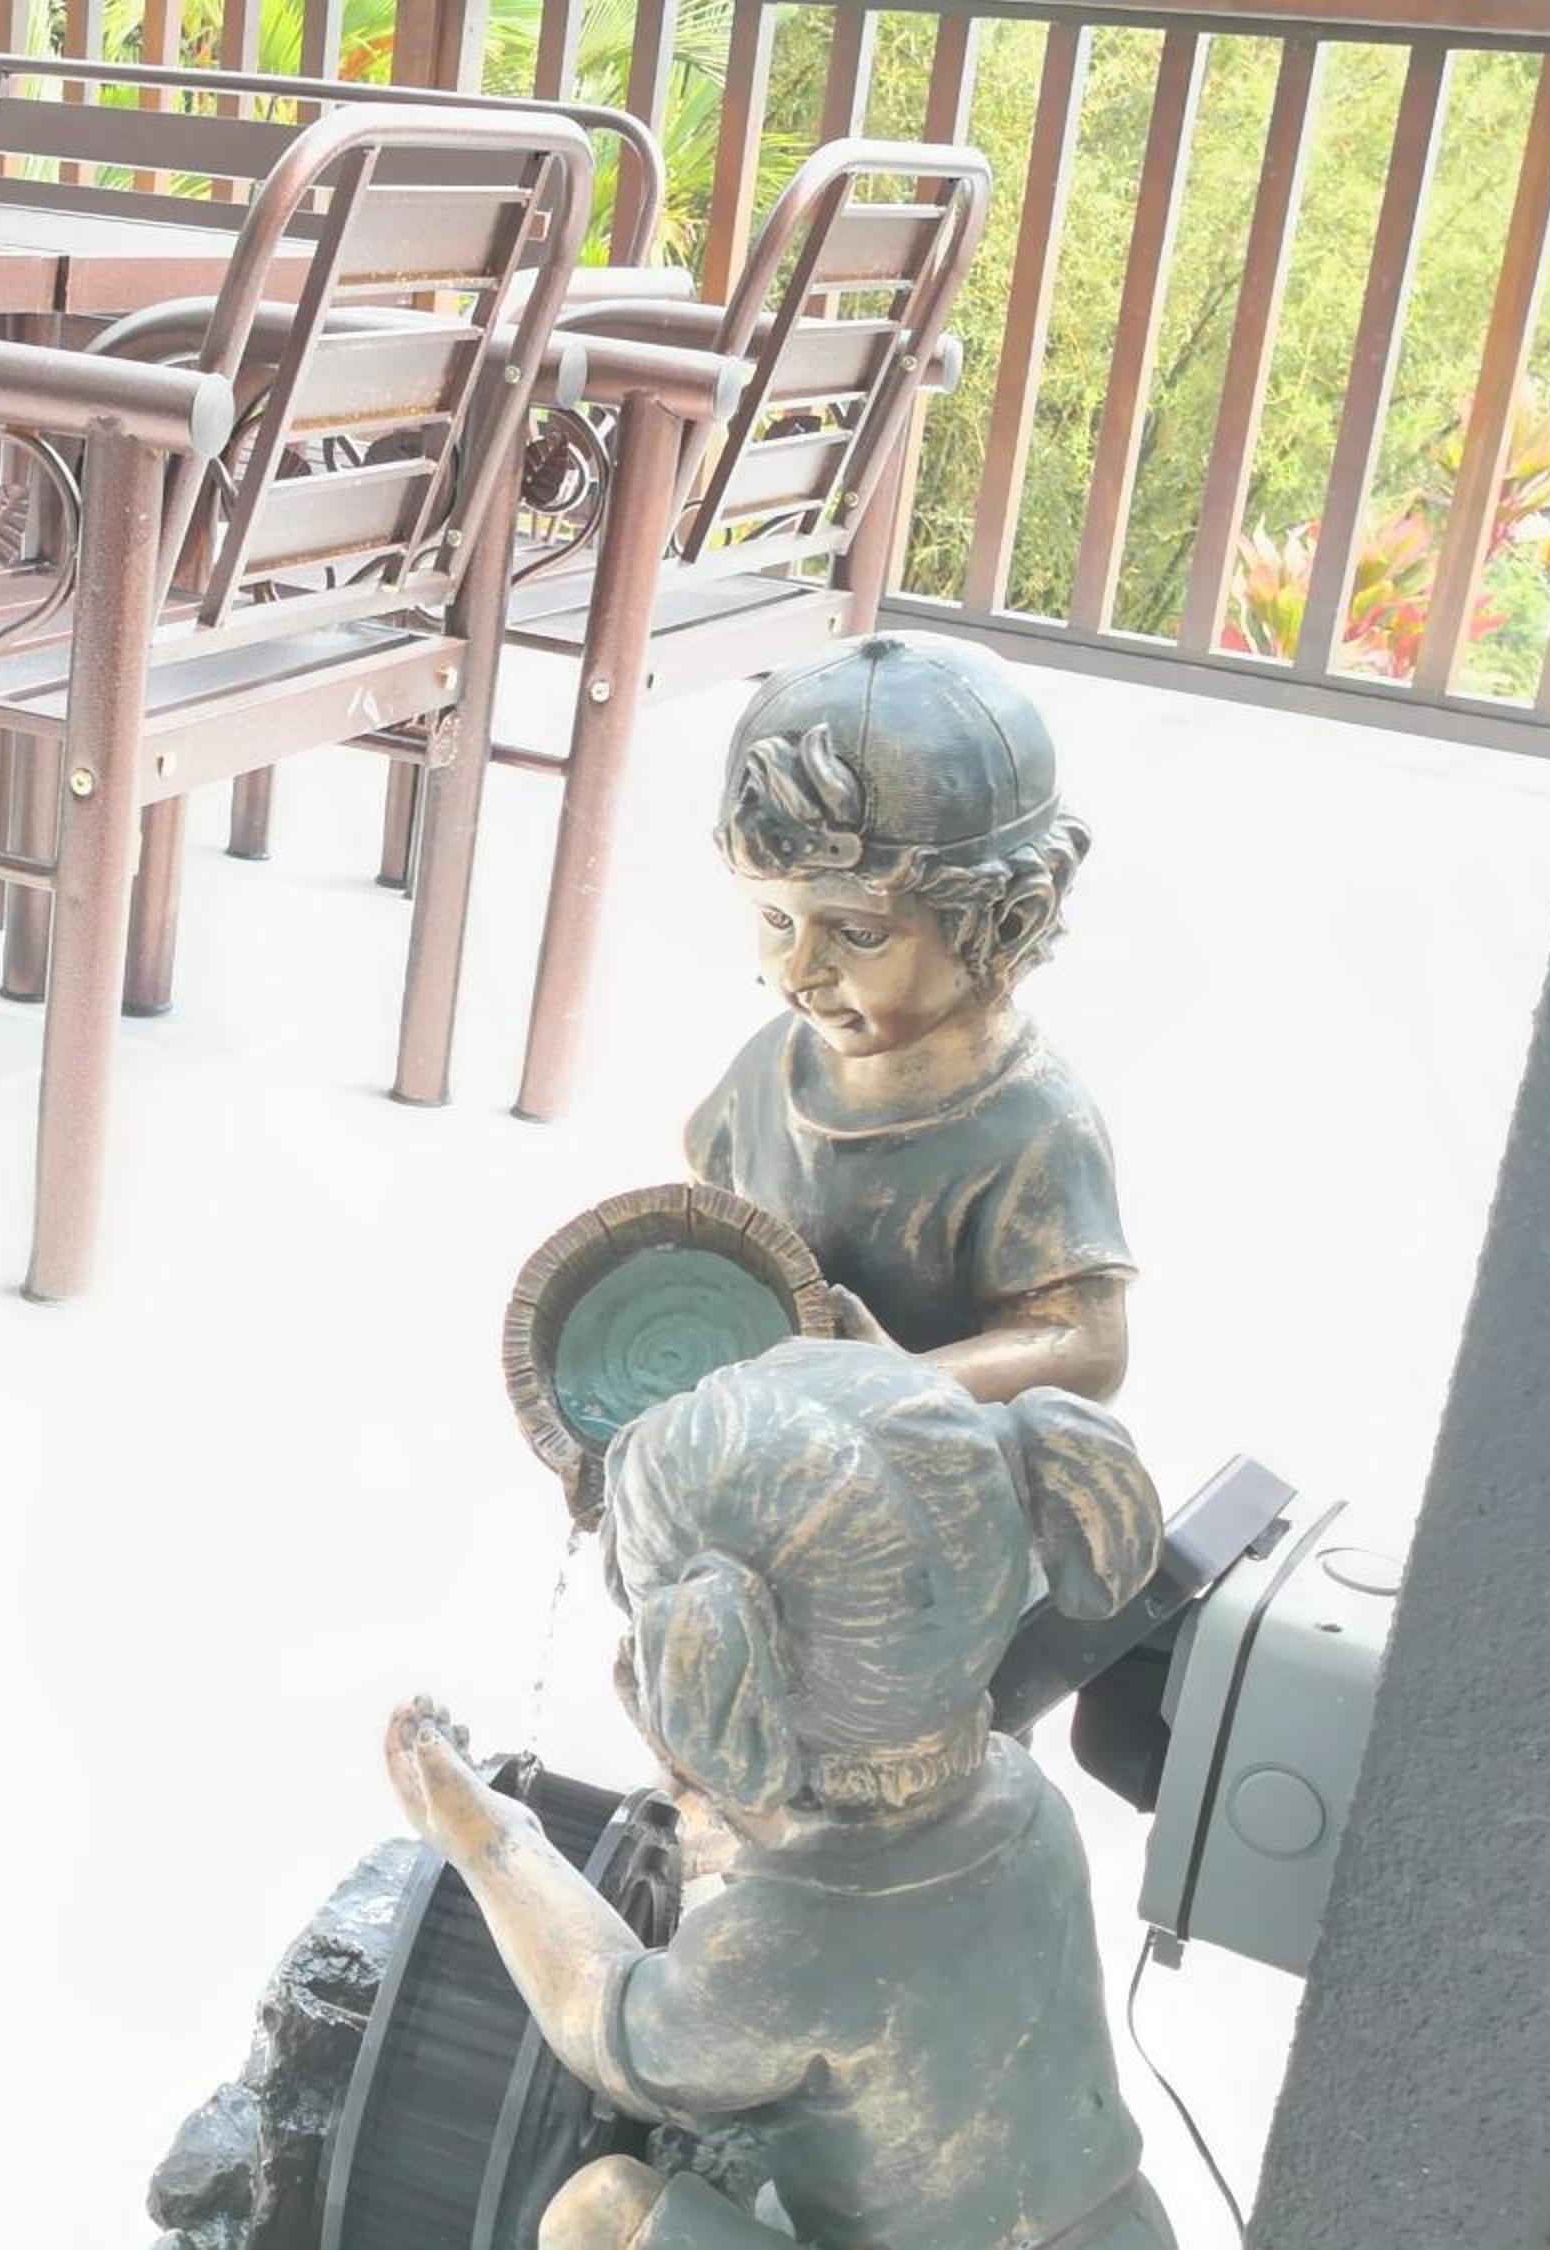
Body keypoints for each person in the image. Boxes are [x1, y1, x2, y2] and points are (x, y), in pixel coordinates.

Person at [386, 1341, 1177, 2249]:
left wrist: (488, 1840)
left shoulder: (787, 1948)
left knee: (598, 2214)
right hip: (1125, 2228)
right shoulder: (1026, 1798)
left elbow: (606, 2025)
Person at [685, 634, 1129, 1405]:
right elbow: (708, 1214)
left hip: (923, 1448)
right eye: (777, 919)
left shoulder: (1033, 1125)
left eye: (859, 934)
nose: (800, 972)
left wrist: (903, 1381)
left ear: (1010, 921)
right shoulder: (772, 1068)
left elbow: (1086, 1346)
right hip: (771, 1416)